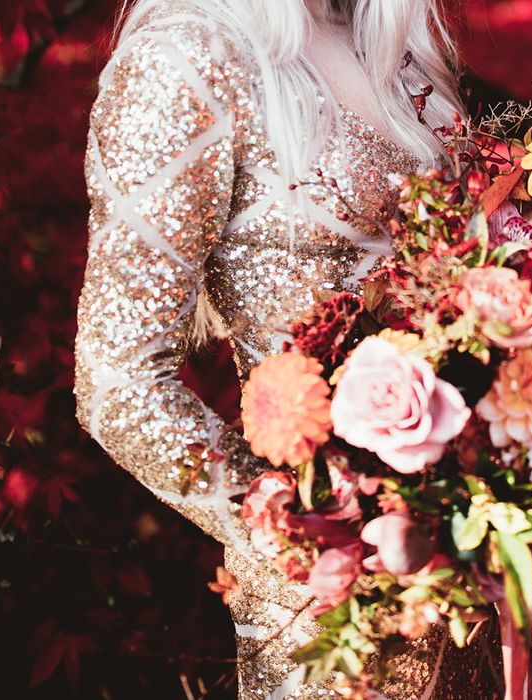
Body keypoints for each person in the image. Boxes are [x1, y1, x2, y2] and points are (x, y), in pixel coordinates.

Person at [74, 0, 503, 696]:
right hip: (334, 617)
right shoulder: (187, 57)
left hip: (471, 576)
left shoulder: (394, 39)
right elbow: (116, 380)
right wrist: (300, 527)